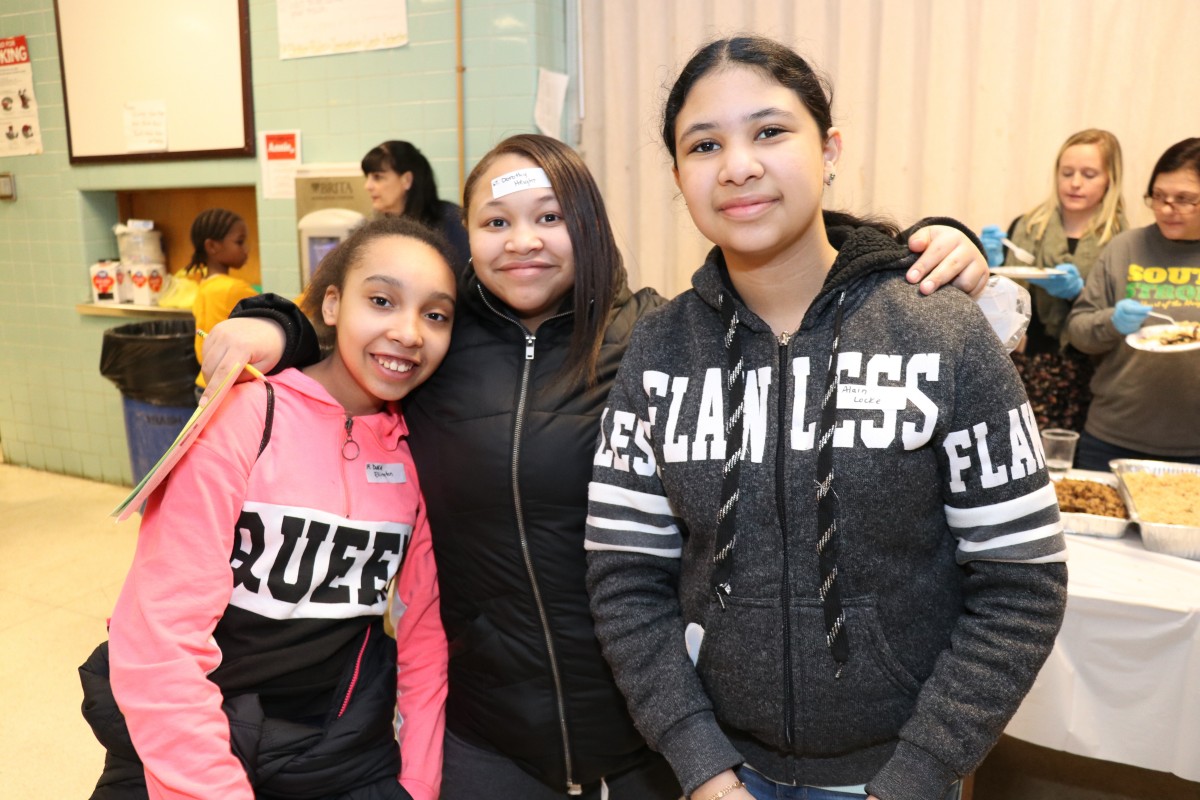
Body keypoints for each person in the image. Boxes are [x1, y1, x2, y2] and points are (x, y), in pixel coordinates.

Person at [199, 135, 991, 798]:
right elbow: (357, 335)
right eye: (496, 221)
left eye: (550, 217)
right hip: (487, 735)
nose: (523, 240)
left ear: (587, 224)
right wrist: (277, 325)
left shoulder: (659, 337)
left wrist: (925, 244)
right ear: (467, 236)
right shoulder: (438, 342)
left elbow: (788, 311)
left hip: (648, 733)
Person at [583, 35, 1068, 800]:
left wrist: (917, 774)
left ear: (829, 148)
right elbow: (624, 576)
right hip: (721, 770)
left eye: (770, 131)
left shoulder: (937, 329)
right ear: (679, 177)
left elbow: (1022, 582)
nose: (738, 165)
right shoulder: (660, 348)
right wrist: (700, 764)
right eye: (704, 145)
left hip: (893, 772)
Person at [79, 216, 454, 800]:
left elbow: (424, 637)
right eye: (381, 300)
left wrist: (418, 783)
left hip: (332, 746)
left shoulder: (418, 450)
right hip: (190, 736)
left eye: (435, 315)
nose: (408, 332)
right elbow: (161, 634)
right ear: (332, 304)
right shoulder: (247, 416)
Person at [979, 129, 1127, 432]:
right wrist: (990, 268)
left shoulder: (1122, 240)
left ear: (1110, 179)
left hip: (1087, 374)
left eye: (1089, 174)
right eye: (1067, 173)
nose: (1075, 183)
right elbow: (998, 308)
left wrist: (1079, 294)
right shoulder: (1027, 227)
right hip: (1023, 367)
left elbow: (1115, 316)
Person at [1065, 136, 1200, 469]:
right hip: (1112, 436)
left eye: (1184, 199)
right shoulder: (1125, 247)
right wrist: (1112, 322)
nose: (1166, 208)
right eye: (1158, 196)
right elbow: (1079, 332)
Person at [362, 140, 470, 274]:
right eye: (367, 177)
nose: (368, 186)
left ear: (406, 180)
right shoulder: (375, 226)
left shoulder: (451, 220)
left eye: (377, 177)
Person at [187, 208, 259, 393]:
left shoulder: (204, 286)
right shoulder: (233, 289)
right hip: (226, 386)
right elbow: (278, 314)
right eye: (239, 242)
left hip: (204, 382)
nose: (246, 249)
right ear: (212, 246)